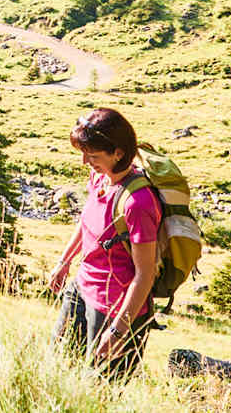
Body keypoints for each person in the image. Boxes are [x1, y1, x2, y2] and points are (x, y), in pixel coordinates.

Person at [49, 107, 160, 379]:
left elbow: (145, 275)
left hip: (115, 309)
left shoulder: (138, 203)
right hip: (81, 290)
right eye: (84, 153)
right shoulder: (100, 178)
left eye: (93, 155)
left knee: (98, 392)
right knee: (56, 371)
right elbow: (87, 223)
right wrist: (64, 263)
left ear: (118, 153)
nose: (85, 161)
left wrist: (118, 331)